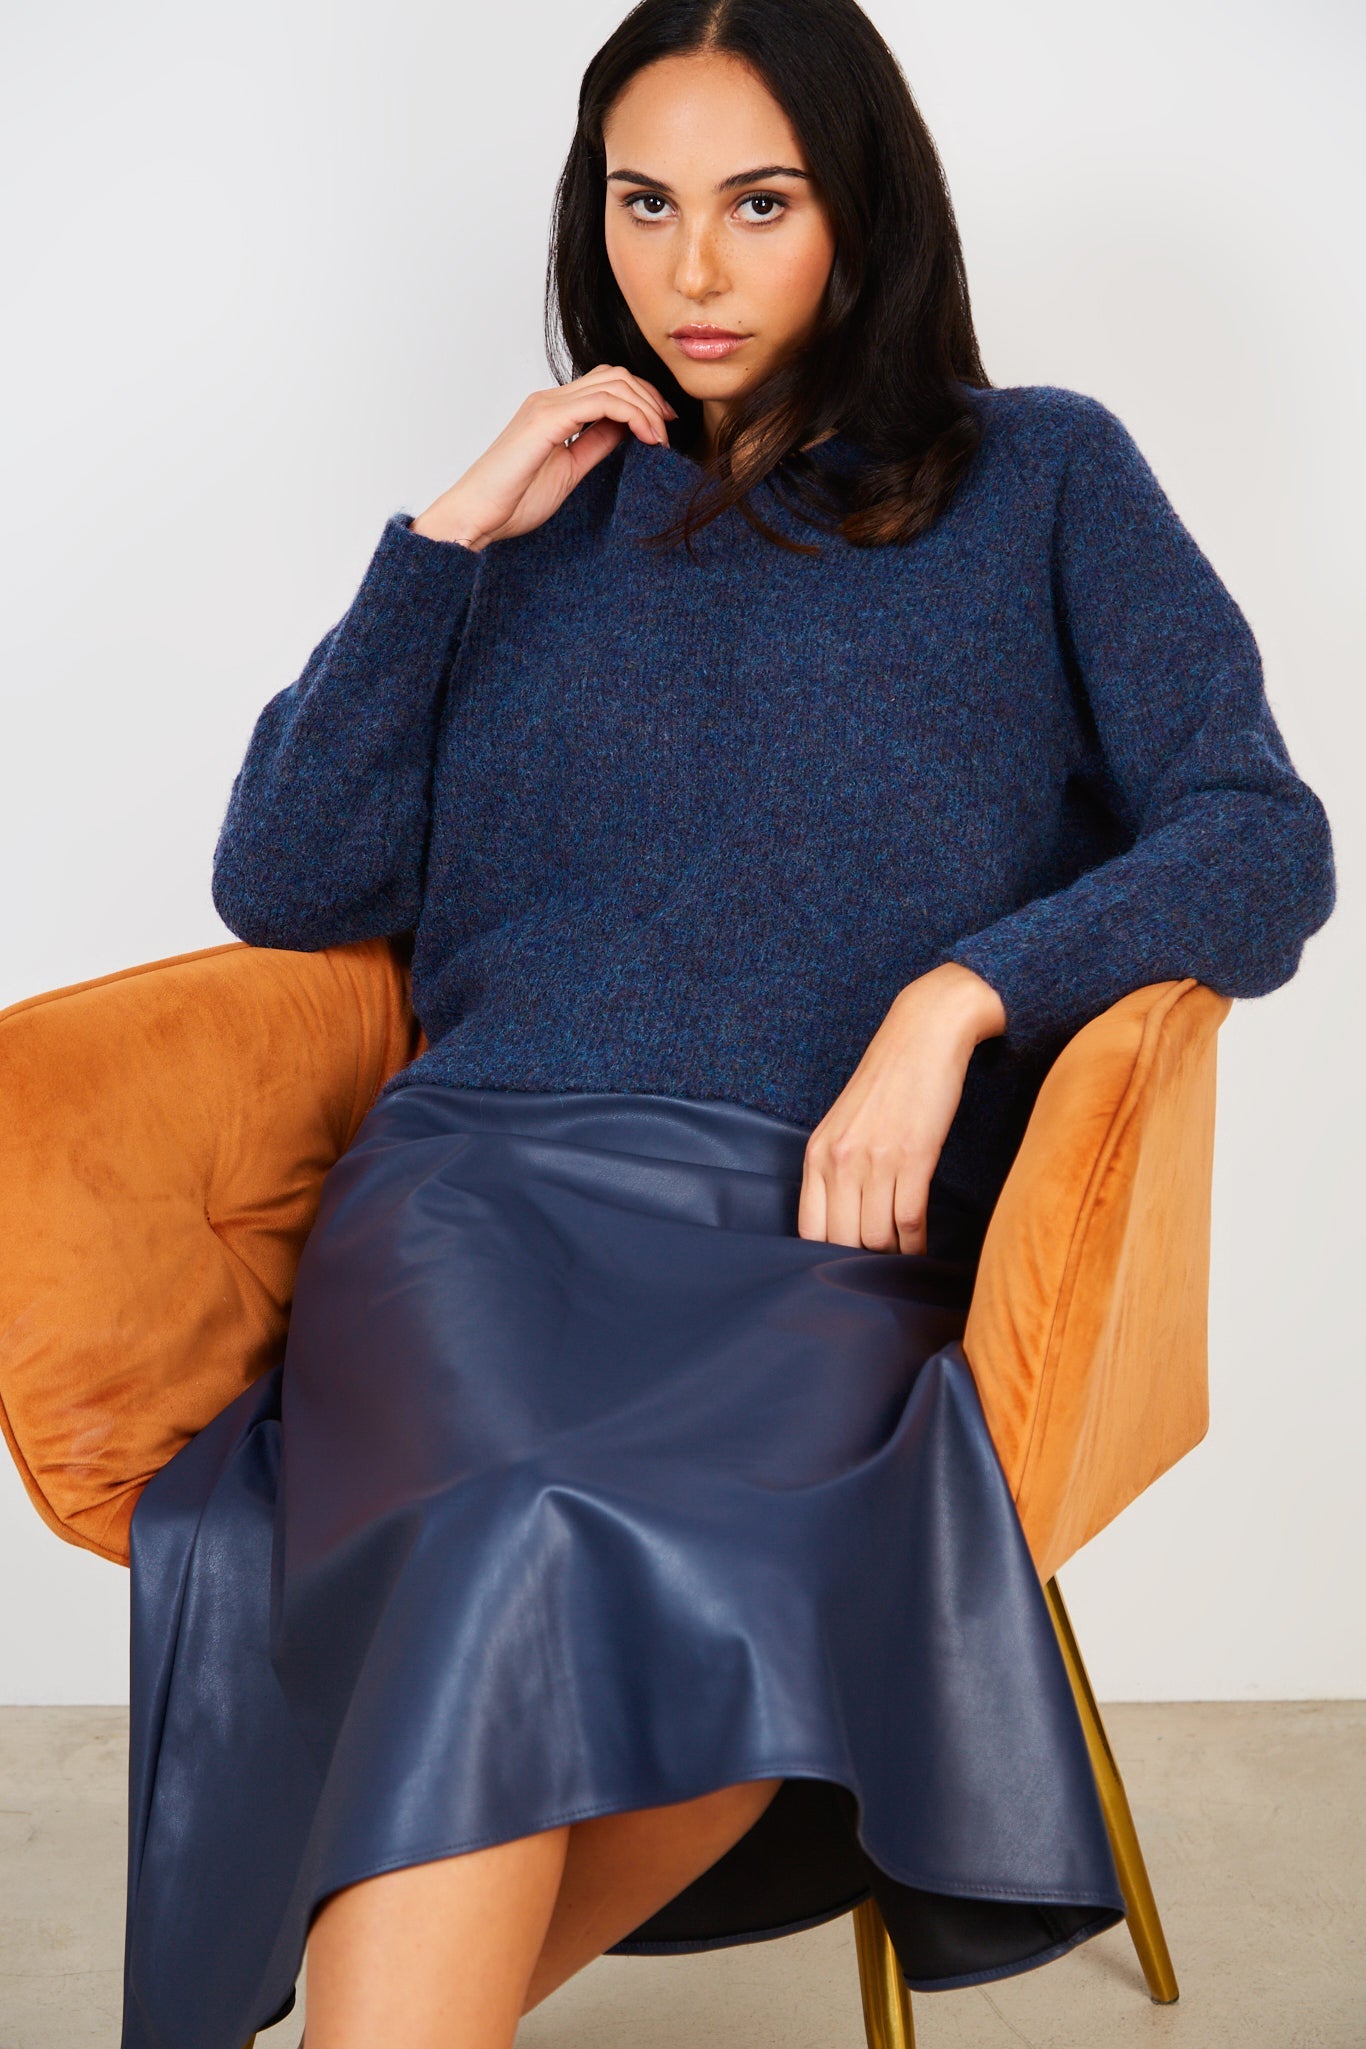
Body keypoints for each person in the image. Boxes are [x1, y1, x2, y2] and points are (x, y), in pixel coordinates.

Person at [118, 3, 1335, 2046]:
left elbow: (1257, 836)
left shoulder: (1041, 477)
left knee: (726, 1601)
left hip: (822, 1231)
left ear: (861, 209)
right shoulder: (539, 526)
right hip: (477, 1201)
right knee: (512, 1523)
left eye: (757, 204)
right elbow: (285, 879)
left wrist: (954, 999)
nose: (688, 268)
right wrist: (443, 545)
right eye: (643, 204)